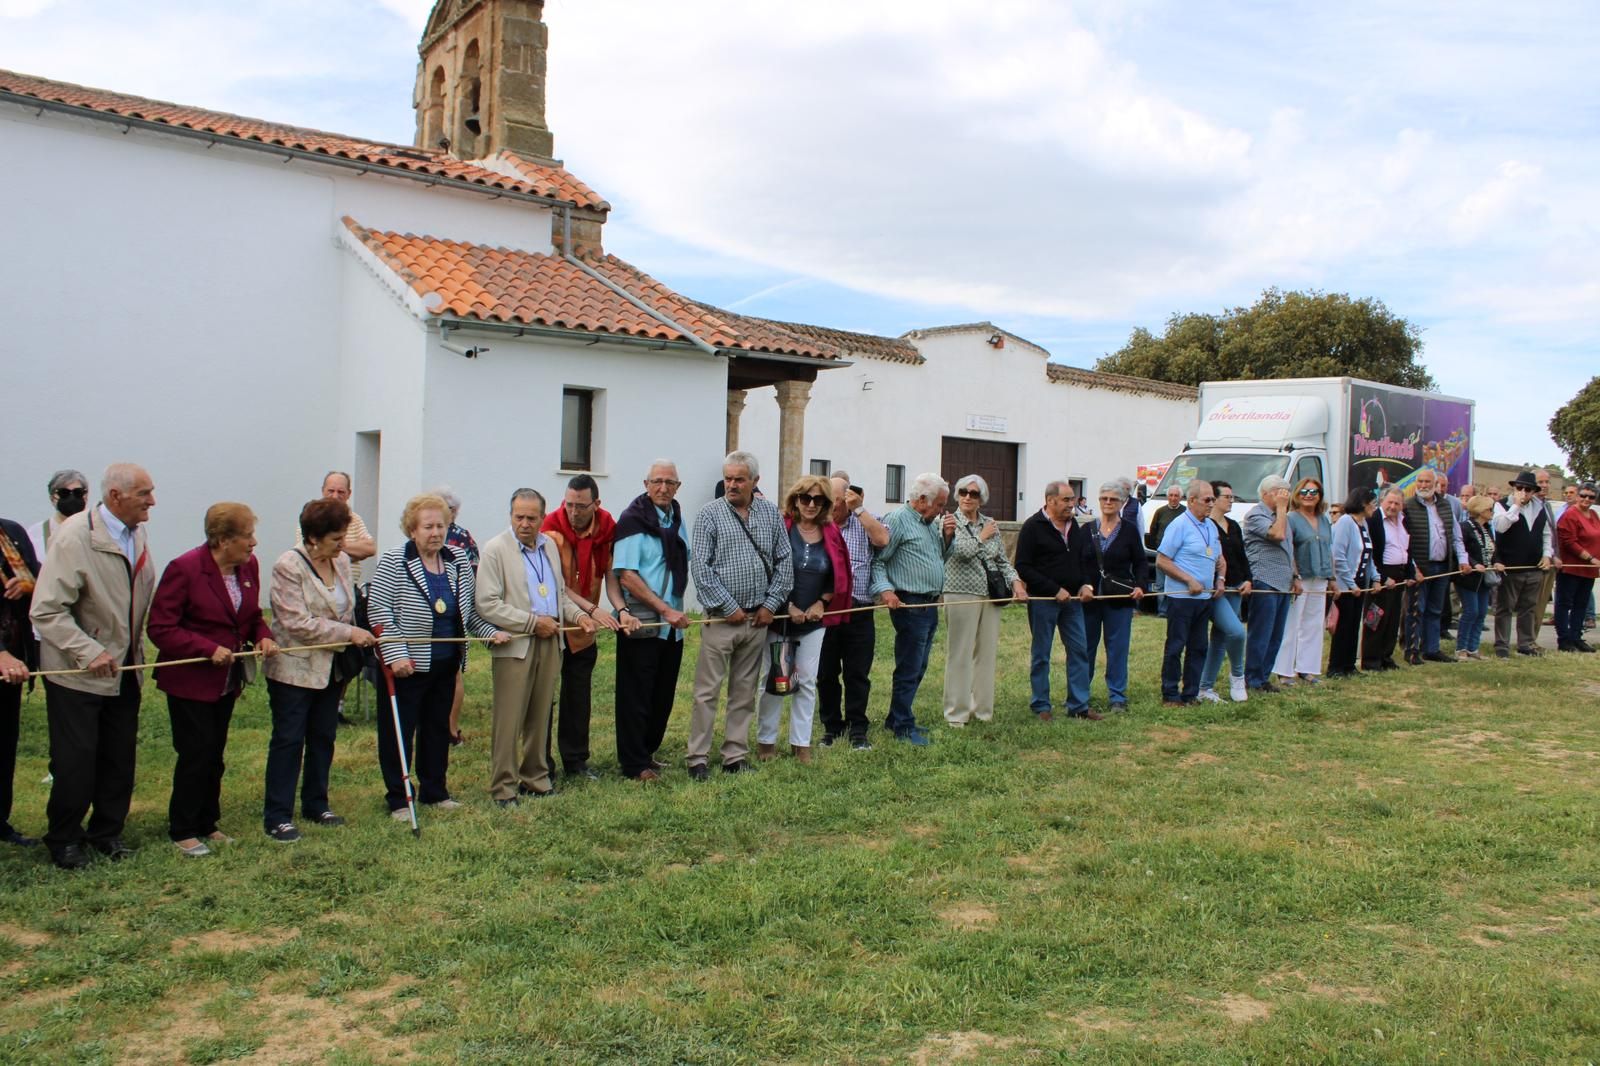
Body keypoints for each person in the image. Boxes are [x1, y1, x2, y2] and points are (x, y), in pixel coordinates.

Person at [29, 463, 157, 870]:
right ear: (115, 497)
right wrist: (89, 651)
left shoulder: (136, 532)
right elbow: (47, 611)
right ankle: (64, 838)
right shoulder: (74, 538)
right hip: (79, 674)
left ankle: (106, 832)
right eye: (144, 494)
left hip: (124, 669)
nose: (152, 501)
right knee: (76, 760)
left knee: (119, 756)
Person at [147, 503, 279, 857]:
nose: (254, 543)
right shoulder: (185, 569)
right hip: (190, 680)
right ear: (222, 540)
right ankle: (183, 829)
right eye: (246, 536)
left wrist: (263, 635)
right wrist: (206, 648)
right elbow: (160, 628)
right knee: (196, 752)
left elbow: (250, 617)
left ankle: (208, 822)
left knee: (215, 752)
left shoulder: (248, 567)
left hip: (226, 680)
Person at [369, 494, 509, 817]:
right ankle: (399, 798)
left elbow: (469, 614)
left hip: (446, 664)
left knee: (436, 728)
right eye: (428, 526)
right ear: (412, 529)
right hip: (408, 665)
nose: (436, 532)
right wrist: (396, 654)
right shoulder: (394, 561)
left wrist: (491, 633)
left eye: (441, 525)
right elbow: (378, 612)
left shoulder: (458, 561)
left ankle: (435, 791)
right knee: (398, 733)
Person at [262, 499, 376, 843]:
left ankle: (316, 802)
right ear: (313, 537)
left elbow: (348, 607)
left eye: (343, 538)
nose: (343, 546)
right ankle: (278, 814)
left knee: (323, 736)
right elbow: (296, 623)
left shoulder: (340, 561)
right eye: (335, 539)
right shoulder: (288, 566)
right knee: (289, 739)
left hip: (332, 668)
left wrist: (358, 628)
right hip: (294, 670)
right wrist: (348, 634)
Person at [476, 489, 593, 806]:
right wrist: (531, 622)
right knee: (509, 719)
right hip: (516, 646)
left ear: (543, 517)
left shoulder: (549, 547)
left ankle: (535, 778)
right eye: (518, 517)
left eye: (531, 517)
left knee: (540, 715)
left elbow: (560, 595)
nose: (525, 524)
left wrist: (580, 616)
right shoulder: (495, 550)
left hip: (549, 641)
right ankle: (503, 787)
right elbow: (487, 604)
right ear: (510, 516)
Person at [689, 452, 794, 776]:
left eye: (739, 479)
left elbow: (784, 563)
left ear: (755, 481)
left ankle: (735, 755)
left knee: (744, 691)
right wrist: (727, 606)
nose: (732, 485)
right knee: (707, 692)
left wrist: (769, 606)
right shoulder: (709, 515)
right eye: (728, 478)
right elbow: (700, 568)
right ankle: (698, 759)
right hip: (722, 620)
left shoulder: (771, 515)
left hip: (757, 620)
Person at [758, 476, 849, 760]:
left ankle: (801, 743)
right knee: (774, 679)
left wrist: (823, 603)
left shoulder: (831, 532)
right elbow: (765, 569)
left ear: (825, 504)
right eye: (805, 498)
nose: (811, 504)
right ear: (795, 499)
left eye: (818, 499)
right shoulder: (781, 528)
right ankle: (766, 742)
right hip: (779, 617)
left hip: (814, 622)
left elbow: (838, 573)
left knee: (807, 681)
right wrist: (787, 605)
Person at [611, 461, 691, 781]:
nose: (663, 488)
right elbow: (627, 576)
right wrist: (664, 609)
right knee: (636, 695)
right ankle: (633, 763)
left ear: (677, 486)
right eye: (657, 481)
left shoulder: (677, 518)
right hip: (643, 622)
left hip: (672, 628)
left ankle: (648, 753)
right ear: (646, 483)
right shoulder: (633, 521)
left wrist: (674, 611)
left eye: (669, 482)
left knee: (662, 693)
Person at [540, 473, 621, 780]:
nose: (573, 512)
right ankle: (541, 763)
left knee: (579, 697)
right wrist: (591, 609)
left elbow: (610, 572)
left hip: (584, 630)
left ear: (596, 504)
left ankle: (576, 762)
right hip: (551, 625)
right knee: (545, 697)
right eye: (569, 505)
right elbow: (557, 585)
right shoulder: (549, 529)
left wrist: (618, 609)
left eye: (581, 506)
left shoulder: (607, 529)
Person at [869, 472, 953, 744]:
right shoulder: (898, 520)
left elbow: (938, 556)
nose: (942, 510)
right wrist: (886, 590)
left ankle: (896, 718)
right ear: (921, 500)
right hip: (910, 603)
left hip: (930, 603)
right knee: (909, 665)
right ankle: (903, 726)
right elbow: (878, 560)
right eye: (939, 505)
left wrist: (948, 537)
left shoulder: (929, 523)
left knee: (920, 664)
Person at [940, 475, 1026, 727]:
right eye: (964, 492)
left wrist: (1016, 581)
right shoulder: (948, 521)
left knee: (986, 654)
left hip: (990, 595)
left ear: (981, 499)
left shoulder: (990, 524)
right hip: (960, 593)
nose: (968, 497)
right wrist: (982, 537)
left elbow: (1001, 560)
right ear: (957, 495)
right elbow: (962, 552)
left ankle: (983, 711)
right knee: (960, 653)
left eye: (974, 494)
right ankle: (956, 713)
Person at [817, 473, 888, 750]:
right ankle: (832, 727)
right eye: (828, 500)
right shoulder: (817, 527)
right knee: (826, 673)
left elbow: (883, 539)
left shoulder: (863, 523)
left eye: (837, 500)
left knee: (857, 674)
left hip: (859, 610)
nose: (832, 506)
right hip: (827, 612)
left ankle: (858, 728)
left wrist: (859, 508)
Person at [1014, 481, 1093, 721]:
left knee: (1079, 651)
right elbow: (1023, 567)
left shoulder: (1076, 527)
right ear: (1050, 501)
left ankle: (1079, 706)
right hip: (1042, 601)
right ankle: (1041, 706)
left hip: (1073, 603)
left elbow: (1084, 560)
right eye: (1067, 500)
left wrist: (1085, 584)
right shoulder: (1032, 527)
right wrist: (1053, 589)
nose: (1072, 504)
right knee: (1042, 654)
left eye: (1073, 499)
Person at [1078, 481, 1148, 712]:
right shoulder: (1086, 530)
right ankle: (1080, 694)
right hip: (1089, 599)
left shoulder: (1128, 530)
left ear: (1121, 503)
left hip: (1119, 597)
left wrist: (1140, 586)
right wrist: (1082, 585)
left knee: (1117, 647)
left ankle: (1117, 696)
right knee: (1085, 647)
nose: (1108, 503)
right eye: (1104, 498)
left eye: (1113, 499)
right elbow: (1076, 564)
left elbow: (1140, 562)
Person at [1155, 480, 1221, 706]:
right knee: (1176, 646)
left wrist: (1220, 579)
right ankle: (1170, 693)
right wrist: (1189, 579)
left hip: (1204, 598)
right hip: (1181, 598)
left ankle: (1191, 693)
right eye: (1207, 500)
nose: (1212, 503)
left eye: (1213, 499)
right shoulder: (1179, 525)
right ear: (1192, 501)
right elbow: (1162, 561)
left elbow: (1218, 558)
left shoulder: (1211, 526)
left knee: (1199, 646)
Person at [0, 514, 41, 848]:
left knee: (4, 745)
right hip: (3, 657)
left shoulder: (10, 532)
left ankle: (1, 822)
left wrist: (28, 583)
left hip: (13, 662)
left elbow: (41, 578)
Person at [1402, 467, 1469, 664]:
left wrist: (1463, 560)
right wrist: (1412, 568)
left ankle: (1431, 648)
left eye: (1427, 482)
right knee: (1416, 610)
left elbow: (1456, 535)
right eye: (1420, 482)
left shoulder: (1446, 505)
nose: (1423, 486)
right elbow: (1404, 541)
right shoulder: (1408, 506)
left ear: (1435, 485)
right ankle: (1412, 650)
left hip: (1442, 565)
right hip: (1421, 566)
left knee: (1435, 610)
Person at [1273, 477, 1333, 684]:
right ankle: (1284, 671)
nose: (1309, 496)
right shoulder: (1291, 518)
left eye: (1313, 492)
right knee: (1292, 624)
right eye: (1304, 492)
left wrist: (1332, 577)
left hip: (1320, 576)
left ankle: (1307, 669)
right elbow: (1289, 549)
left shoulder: (1324, 519)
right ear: (1297, 495)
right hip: (1301, 578)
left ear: (1320, 496)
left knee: (1315, 624)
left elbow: (1328, 549)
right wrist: (1295, 576)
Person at [1243, 476, 1299, 692]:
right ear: (1266, 493)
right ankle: (1253, 678)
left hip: (1283, 582)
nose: (1285, 495)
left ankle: (1264, 676)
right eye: (1280, 491)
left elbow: (1289, 547)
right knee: (1261, 633)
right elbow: (1277, 534)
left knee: (1276, 634)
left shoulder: (1282, 516)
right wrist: (1283, 509)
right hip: (1265, 579)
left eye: (1287, 492)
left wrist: (1296, 576)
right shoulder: (1256, 514)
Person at [1491, 470, 1556, 658]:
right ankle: (1502, 645)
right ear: (1514, 488)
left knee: (1528, 607)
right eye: (1520, 488)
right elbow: (1500, 526)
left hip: (1533, 566)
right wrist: (1516, 507)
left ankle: (1525, 643)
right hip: (1510, 566)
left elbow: (1546, 534)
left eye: (1528, 489)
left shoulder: (1540, 508)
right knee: (1505, 608)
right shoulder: (1502, 505)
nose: (1524, 492)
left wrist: (1547, 555)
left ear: (1534, 491)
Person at [434, 487, 479, 747]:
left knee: (454, 675)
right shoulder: (419, 539)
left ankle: (450, 728)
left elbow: (472, 576)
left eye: (447, 509)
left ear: (454, 512)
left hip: (454, 620)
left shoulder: (462, 541)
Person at [1198, 481, 1250, 702]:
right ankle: (1238, 676)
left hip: (1236, 588)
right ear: (1215, 499)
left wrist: (1248, 579)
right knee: (1237, 632)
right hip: (1216, 591)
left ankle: (1205, 688)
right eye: (1226, 497)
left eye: (1232, 497)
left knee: (1220, 639)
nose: (1231, 500)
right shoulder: (1207, 526)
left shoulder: (1234, 525)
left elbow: (1242, 555)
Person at [1328, 487, 1379, 676]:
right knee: (1343, 626)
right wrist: (1350, 584)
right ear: (1363, 504)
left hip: (1361, 583)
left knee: (1353, 626)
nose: (1374, 508)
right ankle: (1336, 666)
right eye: (1372, 504)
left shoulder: (1364, 524)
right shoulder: (1345, 522)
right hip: (1347, 585)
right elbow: (1338, 556)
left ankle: (1349, 665)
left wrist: (1376, 578)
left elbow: (1368, 554)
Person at [1364, 488, 1409, 672]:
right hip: (1381, 575)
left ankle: (1385, 656)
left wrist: (1410, 573)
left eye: (1397, 503)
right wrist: (1382, 577)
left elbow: (1407, 549)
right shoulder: (1374, 520)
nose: (1393, 506)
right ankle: (1371, 659)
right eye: (1390, 502)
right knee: (1375, 619)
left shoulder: (1404, 520)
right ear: (1382, 501)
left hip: (1399, 574)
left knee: (1392, 619)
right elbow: (1371, 553)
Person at [1554, 482, 1599, 653]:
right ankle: (1564, 639)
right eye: (1583, 495)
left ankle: (1576, 637)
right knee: (1564, 603)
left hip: (1589, 569)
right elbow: (1569, 541)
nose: (1587, 499)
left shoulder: (1594, 514)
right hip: (1572, 566)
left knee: (1581, 603)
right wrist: (1590, 558)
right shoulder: (1570, 514)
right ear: (1578, 495)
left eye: (1591, 497)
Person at [1454, 495, 1499, 660]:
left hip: (1484, 579)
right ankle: (1461, 648)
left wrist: (1497, 563)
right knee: (1471, 611)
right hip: (1469, 578)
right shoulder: (1465, 527)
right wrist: (1472, 564)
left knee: (1481, 612)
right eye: (1489, 509)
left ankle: (1473, 648)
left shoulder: (1487, 529)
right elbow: (1461, 549)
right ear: (1480, 510)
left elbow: (1492, 551)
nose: (1492, 512)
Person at [25, 469, 89, 563]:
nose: (71, 498)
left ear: (86, 496)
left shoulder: (97, 530)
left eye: (78, 492)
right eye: (64, 493)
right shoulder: (35, 533)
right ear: (52, 498)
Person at [1146, 484, 1185, 616]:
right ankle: (1162, 611)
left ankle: (1175, 610)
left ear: (1180, 497)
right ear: (1168, 496)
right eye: (1171, 495)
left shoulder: (1185, 512)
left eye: (1176, 496)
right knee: (1160, 583)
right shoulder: (1160, 512)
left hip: (1179, 555)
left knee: (1176, 583)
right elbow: (1153, 531)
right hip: (1162, 553)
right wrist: (1158, 547)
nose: (1173, 498)